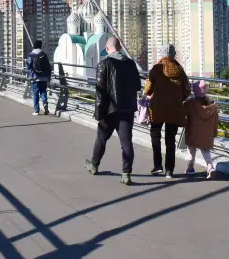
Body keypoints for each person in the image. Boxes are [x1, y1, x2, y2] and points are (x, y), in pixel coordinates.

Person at [83, 37, 142, 185]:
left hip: (109, 110)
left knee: (101, 139)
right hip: (127, 109)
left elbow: (100, 92)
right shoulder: (130, 64)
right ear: (120, 48)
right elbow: (137, 86)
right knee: (126, 142)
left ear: (107, 49)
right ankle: (126, 173)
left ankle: (94, 165)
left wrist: (98, 112)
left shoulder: (104, 64)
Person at [144, 43, 190, 179]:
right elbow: (187, 90)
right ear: (173, 54)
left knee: (155, 136)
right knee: (170, 140)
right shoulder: (180, 70)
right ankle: (169, 170)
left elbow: (148, 89)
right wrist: (177, 99)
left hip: (157, 108)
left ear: (162, 54)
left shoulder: (156, 69)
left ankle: (157, 166)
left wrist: (149, 94)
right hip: (175, 109)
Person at [185, 80, 218, 179]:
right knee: (205, 150)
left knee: (191, 150)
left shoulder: (190, 103)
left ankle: (190, 168)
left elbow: (184, 115)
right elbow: (216, 120)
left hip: (193, 131)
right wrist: (214, 132)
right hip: (207, 132)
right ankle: (210, 167)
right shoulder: (212, 104)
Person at [25, 40, 52, 116]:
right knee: (43, 92)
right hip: (44, 78)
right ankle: (45, 103)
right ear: (41, 46)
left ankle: (36, 110)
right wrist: (48, 77)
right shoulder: (43, 54)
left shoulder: (31, 55)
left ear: (34, 46)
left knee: (35, 94)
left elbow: (27, 66)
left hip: (34, 78)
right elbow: (48, 67)